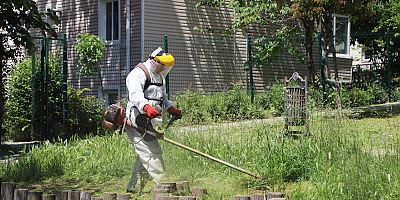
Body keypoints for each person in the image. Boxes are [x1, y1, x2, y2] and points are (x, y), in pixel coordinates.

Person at [125, 47, 182, 193]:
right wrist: (146, 107)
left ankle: (133, 188)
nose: (164, 69)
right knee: (152, 152)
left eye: (166, 67)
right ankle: (164, 184)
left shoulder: (159, 77)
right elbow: (135, 95)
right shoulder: (138, 73)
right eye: (162, 65)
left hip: (151, 121)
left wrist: (170, 108)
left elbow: (163, 97)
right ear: (154, 61)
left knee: (144, 155)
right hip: (137, 119)